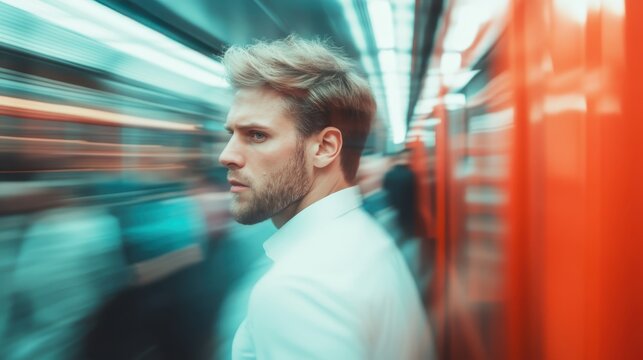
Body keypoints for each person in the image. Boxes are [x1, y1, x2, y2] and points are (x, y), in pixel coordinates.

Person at [218, 35, 432, 360]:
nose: (227, 155)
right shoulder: (364, 240)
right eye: (230, 134)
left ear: (324, 148)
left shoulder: (298, 291)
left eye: (257, 135)